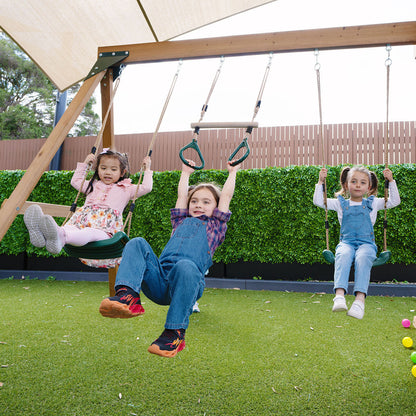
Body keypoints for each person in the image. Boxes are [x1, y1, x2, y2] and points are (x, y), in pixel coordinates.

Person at [99, 158, 239, 357]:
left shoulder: (215, 226)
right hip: (160, 281)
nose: (198, 205)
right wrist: (186, 173)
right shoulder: (180, 220)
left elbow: (226, 196)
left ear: (216, 208)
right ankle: (128, 296)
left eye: (206, 202)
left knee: (185, 266)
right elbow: (182, 194)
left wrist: (232, 173)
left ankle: (174, 334)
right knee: (137, 242)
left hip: (186, 284)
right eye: (195, 201)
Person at [24, 149, 153, 268]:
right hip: (81, 222)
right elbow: (75, 181)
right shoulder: (93, 185)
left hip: (104, 231)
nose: (107, 172)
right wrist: (85, 164)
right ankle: (44, 237)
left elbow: (147, 187)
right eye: (103, 168)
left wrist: (147, 169)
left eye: (113, 169)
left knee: (88, 233)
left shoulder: (127, 189)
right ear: (98, 170)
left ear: (122, 172)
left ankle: (60, 237)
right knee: (70, 228)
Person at [313, 165, 400, 319]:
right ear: (346, 185)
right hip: (346, 242)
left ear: (369, 187)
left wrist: (391, 181)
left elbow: (394, 201)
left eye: (362, 182)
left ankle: (359, 302)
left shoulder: (374, 203)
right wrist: (320, 182)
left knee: (362, 258)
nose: (358, 185)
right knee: (343, 254)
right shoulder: (340, 203)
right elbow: (319, 201)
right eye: (353, 181)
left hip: (366, 243)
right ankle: (339, 297)